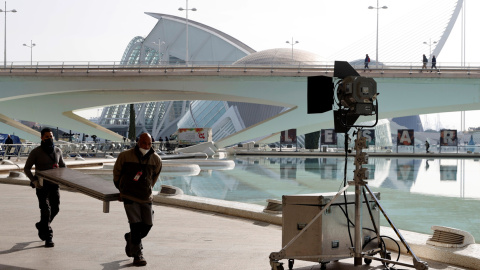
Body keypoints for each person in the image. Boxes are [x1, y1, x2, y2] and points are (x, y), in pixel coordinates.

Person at [113, 133, 162, 267]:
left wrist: (148, 189)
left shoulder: (156, 159)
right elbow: (116, 173)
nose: (146, 146)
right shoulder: (125, 156)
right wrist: (121, 190)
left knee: (148, 225)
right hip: (129, 196)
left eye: (149, 144)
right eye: (143, 143)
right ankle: (137, 255)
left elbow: (154, 177)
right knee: (135, 225)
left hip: (146, 197)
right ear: (138, 142)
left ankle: (130, 238)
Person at [24, 128, 66, 248]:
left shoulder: (57, 150)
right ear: (42, 138)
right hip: (41, 186)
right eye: (47, 137)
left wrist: (64, 177)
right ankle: (49, 237)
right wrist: (34, 180)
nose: (49, 138)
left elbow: (63, 167)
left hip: (54, 185)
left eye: (51, 136)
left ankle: (42, 225)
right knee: (45, 209)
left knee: (56, 208)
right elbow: (27, 168)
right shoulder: (36, 152)